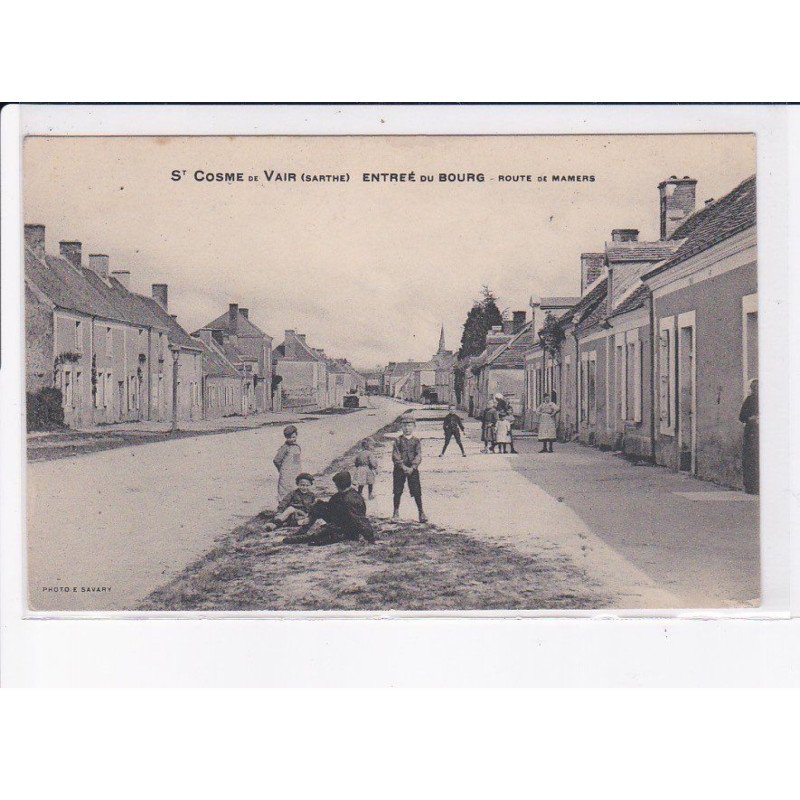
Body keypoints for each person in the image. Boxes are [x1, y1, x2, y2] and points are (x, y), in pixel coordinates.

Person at [285, 470, 376, 545]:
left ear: (338, 485)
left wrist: (370, 539)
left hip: (347, 529)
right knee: (319, 506)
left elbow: (360, 520)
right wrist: (312, 514)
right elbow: (328, 507)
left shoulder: (351, 499)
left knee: (316, 538)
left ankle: (294, 539)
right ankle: (302, 532)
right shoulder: (341, 494)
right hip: (338, 522)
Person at [392, 415, 428, 522]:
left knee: (417, 490)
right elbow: (395, 455)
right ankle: (395, 512)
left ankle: (421, 512)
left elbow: (419, 455)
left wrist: (413, 467)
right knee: (397, 490)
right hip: (399, 469)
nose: (407, 428)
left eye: (409, 426)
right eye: (405, 426)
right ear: (401, 427)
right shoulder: (398, 441)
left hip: (413, 469)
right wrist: (402, 466)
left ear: (414, 427)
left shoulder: (416, 441)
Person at [739, 379, 759, 495]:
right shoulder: (750, 400)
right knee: (751, 459)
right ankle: (751, 487)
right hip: (752, 433)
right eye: (755, 388)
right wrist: (751, 418)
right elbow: (742, 416)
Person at [273, 424, 302, 503]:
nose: (292, 439)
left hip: (295, 473)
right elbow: (276, 460)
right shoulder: (285, 447)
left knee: (295, 490)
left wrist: (297, 471)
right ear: (286, 437)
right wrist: (281, 469)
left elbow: (296, 461)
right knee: (284, 492)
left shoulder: (296, 447)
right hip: (286, 473)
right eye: (289, 438)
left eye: (294, 437)